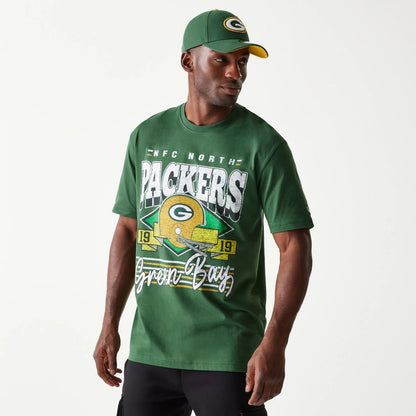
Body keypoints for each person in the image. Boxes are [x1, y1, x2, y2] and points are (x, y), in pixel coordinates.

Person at [94, 9, 313, 416]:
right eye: (222, 59)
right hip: (150, 350)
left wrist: (275, 342)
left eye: (242, 62)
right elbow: (127, 230)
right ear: (188, 61)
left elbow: (295, 246)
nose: (236, 73)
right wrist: (110, 324)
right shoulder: (147, 136)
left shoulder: (264, 145)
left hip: (228, 353)